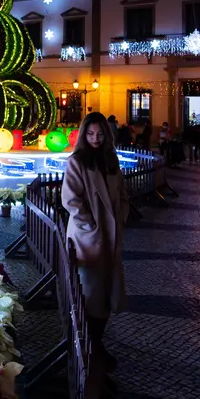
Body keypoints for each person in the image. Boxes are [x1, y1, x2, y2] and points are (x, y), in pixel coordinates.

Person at [61, 112, 130, 375]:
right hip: (88, 238)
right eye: (90, 134)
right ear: (83, 135)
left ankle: (96, 344)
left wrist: (120, 216)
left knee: (107, 290)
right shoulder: (77, 161)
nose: (95, 139)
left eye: (100, 134)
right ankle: (91, 347)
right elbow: (71, 200)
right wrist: (90, 225)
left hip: (110, 235)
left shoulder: (111, 161)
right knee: (90, 293)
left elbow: (123, 192)